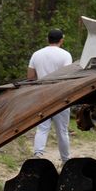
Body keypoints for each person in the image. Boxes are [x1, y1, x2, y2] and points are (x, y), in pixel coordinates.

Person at [28, 28, 74, 162]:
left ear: (47, 39)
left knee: (42, 128)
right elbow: (68, 77)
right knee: (62, 131)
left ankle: (37, 155)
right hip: (61, 96)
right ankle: (65, 161)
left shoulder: (36, 54)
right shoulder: (66, 55)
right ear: (61, 40)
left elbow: (30, 77)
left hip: (42, 96)